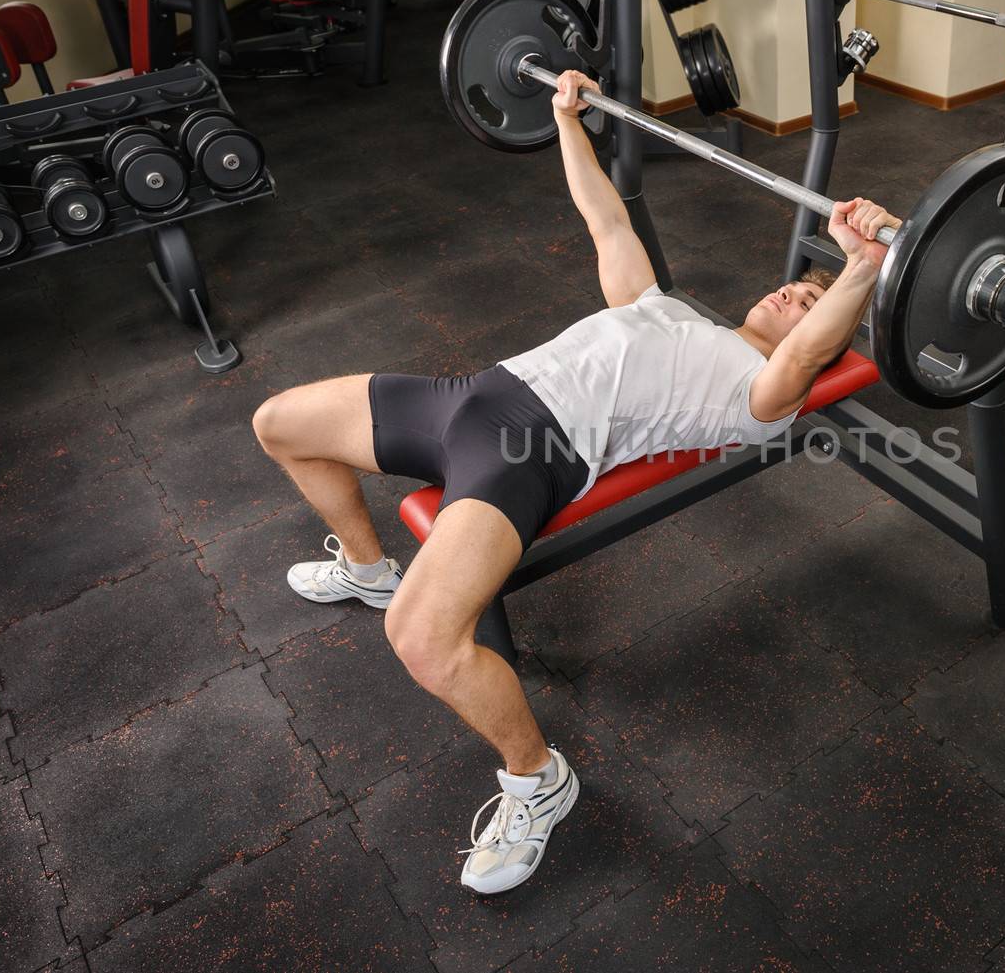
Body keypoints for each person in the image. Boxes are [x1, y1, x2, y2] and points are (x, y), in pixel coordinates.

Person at [251, 70, 899, 894]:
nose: (790, 293)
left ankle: (537, 778)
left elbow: (807, 355)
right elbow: (604, 217)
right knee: (278, 422)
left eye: (807, 300)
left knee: (423, 640)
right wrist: (567, 119)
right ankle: (369, 568)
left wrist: (860, 269)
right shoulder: (662, 309)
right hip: (469, 397)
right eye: (795, 284)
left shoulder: (757, 396)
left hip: (528, 451)